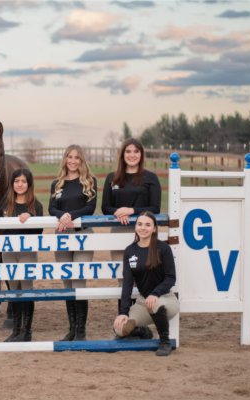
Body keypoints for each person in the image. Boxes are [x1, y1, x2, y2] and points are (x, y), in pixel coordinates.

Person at [101, 138, 161, 318]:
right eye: (128, 151)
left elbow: (155, 208)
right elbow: (106, 208)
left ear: (141, 154)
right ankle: (124, 319)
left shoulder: (150, 178)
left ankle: (140, 322)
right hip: (119, 232)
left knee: (142, 277)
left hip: (143, 234)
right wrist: (119, 212)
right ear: (122, 154)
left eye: (136, 151)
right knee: (123, 279)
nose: (132, 155)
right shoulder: (112, 178)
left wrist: (132, 211)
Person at [0, 168, 43, 342]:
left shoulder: (35, 205)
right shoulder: (6, 203)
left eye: (23, 181)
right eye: (16, 181)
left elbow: (39, 229)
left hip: (26, 251)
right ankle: (16, 330)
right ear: (12, 184)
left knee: (26, 289)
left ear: (29, 184)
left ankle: (27, 331)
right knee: (13, 290)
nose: (20, 184)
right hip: (8, 251)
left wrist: (30, 217)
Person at [49, 144, 97, 341]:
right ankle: (72, 329)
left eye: (77, 157)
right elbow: (52, 209)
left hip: (83, 235)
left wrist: (70, 216)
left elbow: (91, 208)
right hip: (62, 236)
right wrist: (63, 216)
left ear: (82, 160)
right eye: (70, 157)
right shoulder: (57, 184)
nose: (73, 161)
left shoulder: (89, 181)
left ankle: (81, 331)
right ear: (65, 159)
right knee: (67, 283)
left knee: (79, 282)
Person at [113, 212, 178, 356]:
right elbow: (128, 284)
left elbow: (170, 278)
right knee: (119, 328)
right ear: (135, 227)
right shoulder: (130, 251)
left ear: (154, 228)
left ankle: (164, 342)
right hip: (143, 302)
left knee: (153, 303)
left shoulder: (163, 248)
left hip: (165, 299)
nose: (143, 228)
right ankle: (142, 329)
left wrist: (155, 293)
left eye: (148, 225)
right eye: (140, 224)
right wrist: (123, 312)